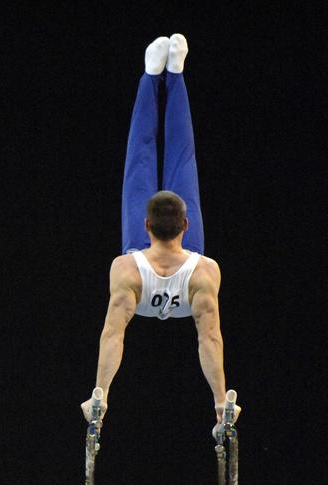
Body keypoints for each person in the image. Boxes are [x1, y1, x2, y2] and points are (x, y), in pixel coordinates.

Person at [80, 34, 241, 432]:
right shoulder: (204, 272)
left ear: (146, 225)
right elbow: (210, 340)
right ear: (185, 226)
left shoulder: (127, 270)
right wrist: (219, 401)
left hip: (145, 256)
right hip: (189, 259)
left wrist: (101, 392)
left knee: (149, 155)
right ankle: (170, 73)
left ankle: (158, 75)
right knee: (180, 156)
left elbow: (113, 336)